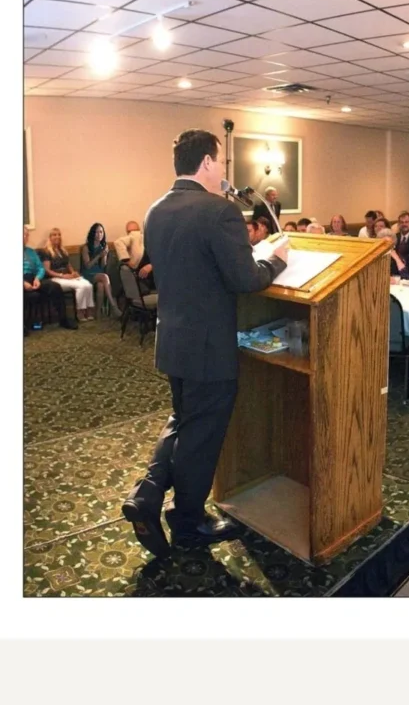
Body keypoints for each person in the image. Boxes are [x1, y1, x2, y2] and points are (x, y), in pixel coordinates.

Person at [121, 129, 289, 557]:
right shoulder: (219, 211)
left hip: (172, 339)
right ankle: (189, 519)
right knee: (201, 434)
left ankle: (147, 495)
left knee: (182, 420)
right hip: (209, 346)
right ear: (209, 162)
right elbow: (244, 279)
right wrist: (276, 259)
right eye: (221, 162)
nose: (224, 171)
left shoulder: (156, 209)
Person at [40, 227, 96, 323]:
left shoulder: (63, 250)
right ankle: (80, 311)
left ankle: (89, 309)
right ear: (50, 237)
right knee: (81, 286)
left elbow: (68, 265)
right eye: (54, 235)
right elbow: (47, 271)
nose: (57, 236)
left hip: (67, 276)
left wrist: (73, 272)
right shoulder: (46, 252)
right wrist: (62, 276)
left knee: (88, 285)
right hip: (55, 278)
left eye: (59, 234)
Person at [23, 225, 70, 330]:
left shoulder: (31, 252)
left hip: (33, 278)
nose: (25, 237)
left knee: (55, 287)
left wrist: (38, 278)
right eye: (23, 234)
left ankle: (63, 320)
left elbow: (40, 268)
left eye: (27, 235)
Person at [79, 222, 113, 317]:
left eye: (101, 232)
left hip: (98, 273)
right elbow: (88, 266)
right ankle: (113, 304)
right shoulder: (86, 247)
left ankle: (97, 313)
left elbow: (102, 266)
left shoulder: (103, 246)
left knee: (101, 286)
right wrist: (99, 256)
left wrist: (104, 255)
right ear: (92, 233)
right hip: (88, 274)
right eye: (97, 232)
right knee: (105, 277)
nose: (99, 235)